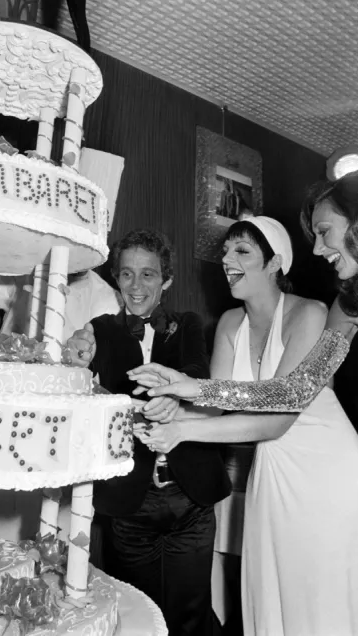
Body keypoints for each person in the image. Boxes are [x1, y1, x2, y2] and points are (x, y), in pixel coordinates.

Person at [129, 168, 358, 636]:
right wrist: (189, 390)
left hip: (328, 471)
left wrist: (187, 414)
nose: (320, 249)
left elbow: (281, 413)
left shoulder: (311, 310)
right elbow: (291, 392)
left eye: (325, 232)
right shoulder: (348, 308)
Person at [68, 229, 230, 636]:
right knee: (137, 612)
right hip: (130, 499)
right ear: (116, 280)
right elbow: (82, 389)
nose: (136, 286)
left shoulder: (187, 323)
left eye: (148, 275)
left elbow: (197, 373)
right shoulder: (101, 328)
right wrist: (76, 361)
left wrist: (176, 396)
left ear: (167, 281)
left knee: (191, 612)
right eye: (126, 275)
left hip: (189, 495)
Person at [0, 266, 120, 540]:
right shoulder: (25, 271)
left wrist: (87, 358)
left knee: (48, 533)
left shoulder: (107, 297)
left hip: (58, 432)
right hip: (1, 419)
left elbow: (105, 368)